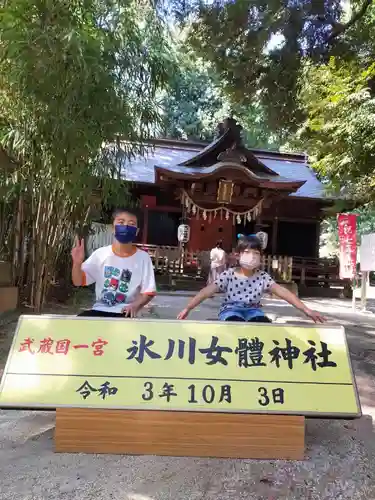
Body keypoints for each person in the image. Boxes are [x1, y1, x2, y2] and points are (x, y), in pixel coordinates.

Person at [177, 234, 326, 323]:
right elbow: (206, 292)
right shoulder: (229, 274)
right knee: (234, 320)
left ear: (260, 257)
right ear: (238, 255)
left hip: (253, 311)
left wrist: (307, 310)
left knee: (260, 322)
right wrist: (188, 308)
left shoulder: (262, 277)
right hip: (230, 310)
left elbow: (284, 293)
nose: (252, 256)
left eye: (256, 253)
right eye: (247, 252)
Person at [71, 208, 156, 318]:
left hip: (126, 313)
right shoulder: (100, 254)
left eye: (131, 224)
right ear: (113, 228)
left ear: (136, 231)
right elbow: (78, 281)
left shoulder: (143, 258)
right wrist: (77, 263)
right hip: (100, 310)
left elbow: (148, 291)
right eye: (121, 222)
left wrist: (136, 305)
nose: (125, 226)